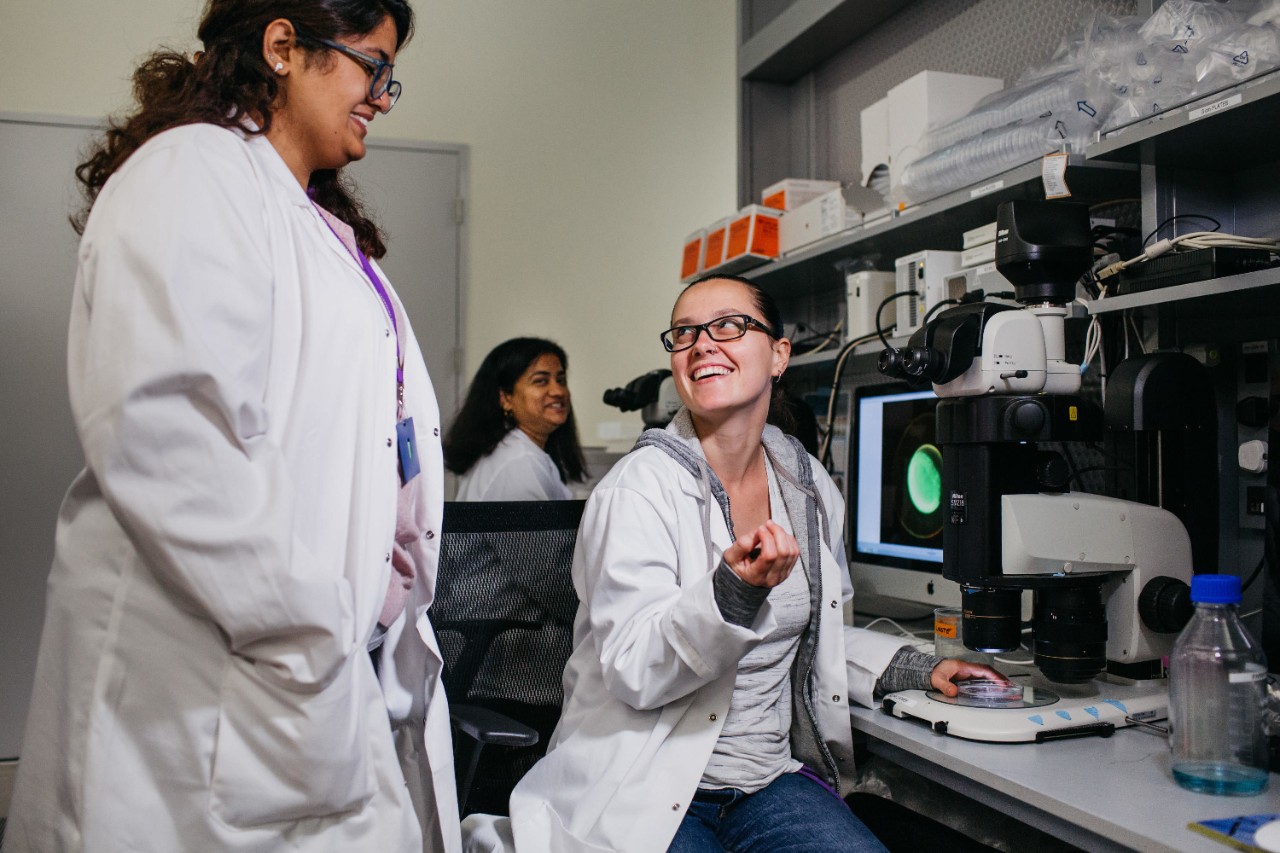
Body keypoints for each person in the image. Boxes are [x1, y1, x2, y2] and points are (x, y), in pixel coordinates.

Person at [3, 1, 461, 850]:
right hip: (226, 681)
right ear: (283, 46)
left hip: (316, 668)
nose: (383, 97)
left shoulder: (318, 225)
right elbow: (172, 441)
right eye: (372, 66)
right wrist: (311, 630)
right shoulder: (192, 173)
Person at [463, 273, 1005, 852]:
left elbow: (816, 635)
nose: (702, 344)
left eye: (728, 326)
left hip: (765, 783)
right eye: (685, 333)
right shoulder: (637, 489)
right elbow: (634, 670)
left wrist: (915, 668)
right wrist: (733, 592)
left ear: (778, 355)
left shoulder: (807, 484)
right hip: (646, 783)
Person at [445, 337, 587, 500]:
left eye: (561, 380)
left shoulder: (522, 452)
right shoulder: (518, 462)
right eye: (541, 381)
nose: (558, 391)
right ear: (506, 399)